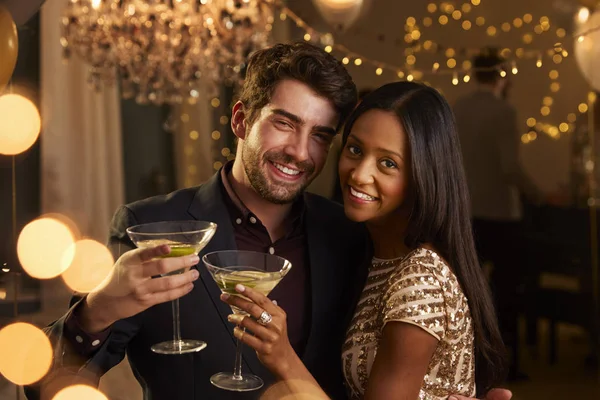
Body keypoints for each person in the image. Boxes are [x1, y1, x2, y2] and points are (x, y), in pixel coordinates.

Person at [26, 43, 510, 400]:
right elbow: (46, 381)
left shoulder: (350, 235)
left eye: (320, 135)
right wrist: (97, 309)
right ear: (241, 120)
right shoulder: (157, 226)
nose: (300, 153)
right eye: (284, 123)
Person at [221, 81, 508, 399]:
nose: (359, 174)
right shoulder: (371, 252)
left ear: (422, 176)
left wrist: (283, 358)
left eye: (388, 163)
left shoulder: (419, 279)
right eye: (355, 150)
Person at [453, 48, 544, 379]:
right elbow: (509, 168)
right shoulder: (503, 111)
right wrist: (538, 193)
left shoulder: (457, 108)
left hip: (465, 214)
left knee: (467, 293)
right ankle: (508, 365)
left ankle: (468, 364)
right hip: (501, 215)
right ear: (502, 75)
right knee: (506, 295)